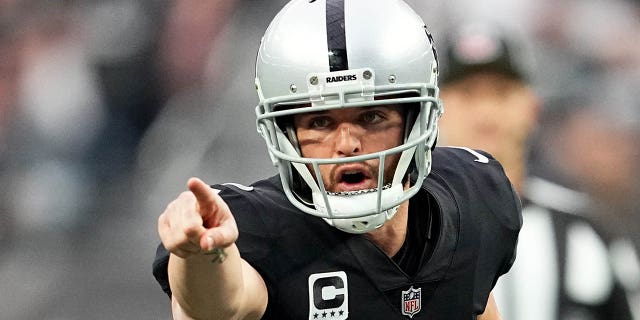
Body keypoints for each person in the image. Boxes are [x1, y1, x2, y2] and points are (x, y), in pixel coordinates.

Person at [152, 1, 522, 319]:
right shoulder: (261, 228)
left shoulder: (475, 197)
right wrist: (201, 254)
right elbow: (218, 305)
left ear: (417, 120)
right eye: (320, 122)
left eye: (371, 117)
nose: (346, 144)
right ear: (284, 132)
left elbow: (471, 301)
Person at [436, 22, 635, 320]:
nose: (486, 112)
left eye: (502, 93)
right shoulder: (404, 228)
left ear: (532, 106)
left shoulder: (588, 230)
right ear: (435, 110)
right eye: (467, 94)